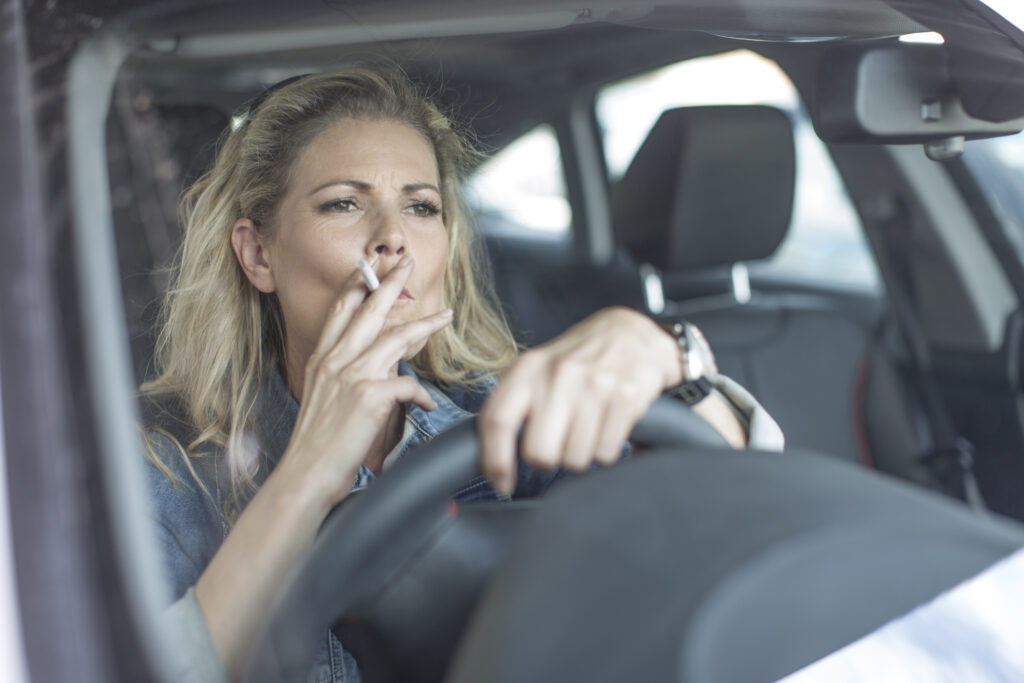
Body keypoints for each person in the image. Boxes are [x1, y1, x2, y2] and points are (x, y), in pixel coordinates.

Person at [141, 66, 783, 683]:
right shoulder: (167, 477)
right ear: (258, 254)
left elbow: (738, 530)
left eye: (421, 208)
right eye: (343, 203)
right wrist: (308, 472)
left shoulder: (508, 417)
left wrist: (669, 356)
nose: (393, 238)